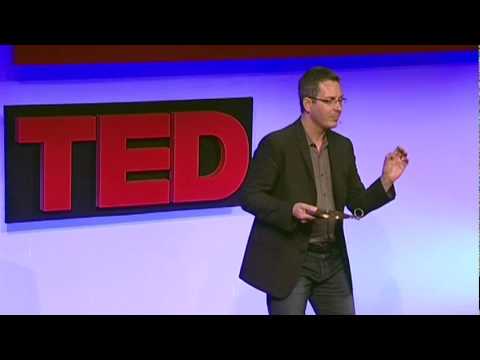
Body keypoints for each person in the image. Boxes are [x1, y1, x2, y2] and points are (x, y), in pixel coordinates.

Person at [239, 66, 409, 315]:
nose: (338, 107)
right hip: (291, 260)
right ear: (308, 103)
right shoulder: (277, 144)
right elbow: (250, 197)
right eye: (330, 101)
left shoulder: (342, 147)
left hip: (332, 261)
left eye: (341, 100)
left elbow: (357, 204)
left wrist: (385, 180)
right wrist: (290, 210)